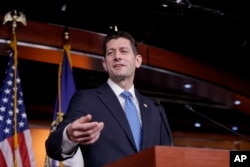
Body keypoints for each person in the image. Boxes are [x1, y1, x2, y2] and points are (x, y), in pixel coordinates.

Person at [45, 31, 173, 167]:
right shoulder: (87, 99)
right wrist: (69, 135)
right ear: (105, 64)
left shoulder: (155, 109)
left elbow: (168, 157)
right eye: (111, 53)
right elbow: (53, 147)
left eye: (124, 51)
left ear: (137, 61)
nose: (117, 56)